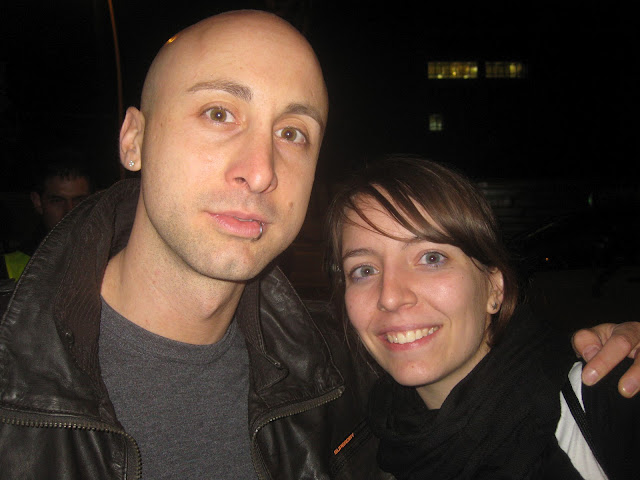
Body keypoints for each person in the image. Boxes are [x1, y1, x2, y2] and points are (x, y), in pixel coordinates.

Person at [0, 9, 637, 480]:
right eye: (219, 113)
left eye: (293, 133)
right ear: (133, 139)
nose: (261, 170)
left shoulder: (337, 378)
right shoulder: (14, 369)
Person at [326, 155, 639, 479]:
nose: (390, 297)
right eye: (364, 270)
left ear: (494, 288)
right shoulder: (362, 442)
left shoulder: (608, 399)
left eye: (431, 258)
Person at [1, 148, 93, 281]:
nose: (69, 211)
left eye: (79, 201)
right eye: (57, 201)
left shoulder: (111, 257)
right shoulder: (8, 267)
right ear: (38, 202)